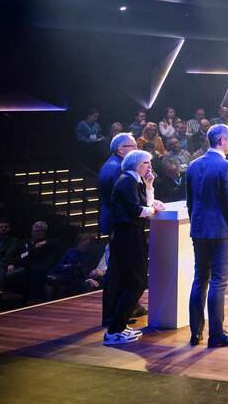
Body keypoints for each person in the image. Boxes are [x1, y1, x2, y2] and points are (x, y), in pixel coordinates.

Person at [185, 124, 228, 348]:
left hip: (199, 230)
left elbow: (190, 202)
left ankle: (196, 332)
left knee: (200, 279)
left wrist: (197, 225)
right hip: (221, 232)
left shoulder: (192, 165)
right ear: (221, 141)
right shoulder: (225, 166)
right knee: (219, 282)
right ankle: (217, 334)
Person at [104, 150, 164, 345]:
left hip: (131, 236)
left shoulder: (133, 181)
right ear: (137, 164)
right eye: (147, 163)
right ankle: (114, 330)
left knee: (132, 282)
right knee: (135, 283)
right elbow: (137, 210)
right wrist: (154, 210)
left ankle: (119, 326)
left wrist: (149, 186)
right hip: (127, 238)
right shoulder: (127, 181)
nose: (150, 166)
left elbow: (144, 203)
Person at [98, 133, 137, 327]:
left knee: (119, 270)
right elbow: (123, 201)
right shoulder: (116, 169)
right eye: (133, 145)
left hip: (115, 222)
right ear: (121, 149)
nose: (136, 149)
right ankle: (112, 315)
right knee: (116, 271)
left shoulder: (112, 165)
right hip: (118, 224)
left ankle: (120, 310)